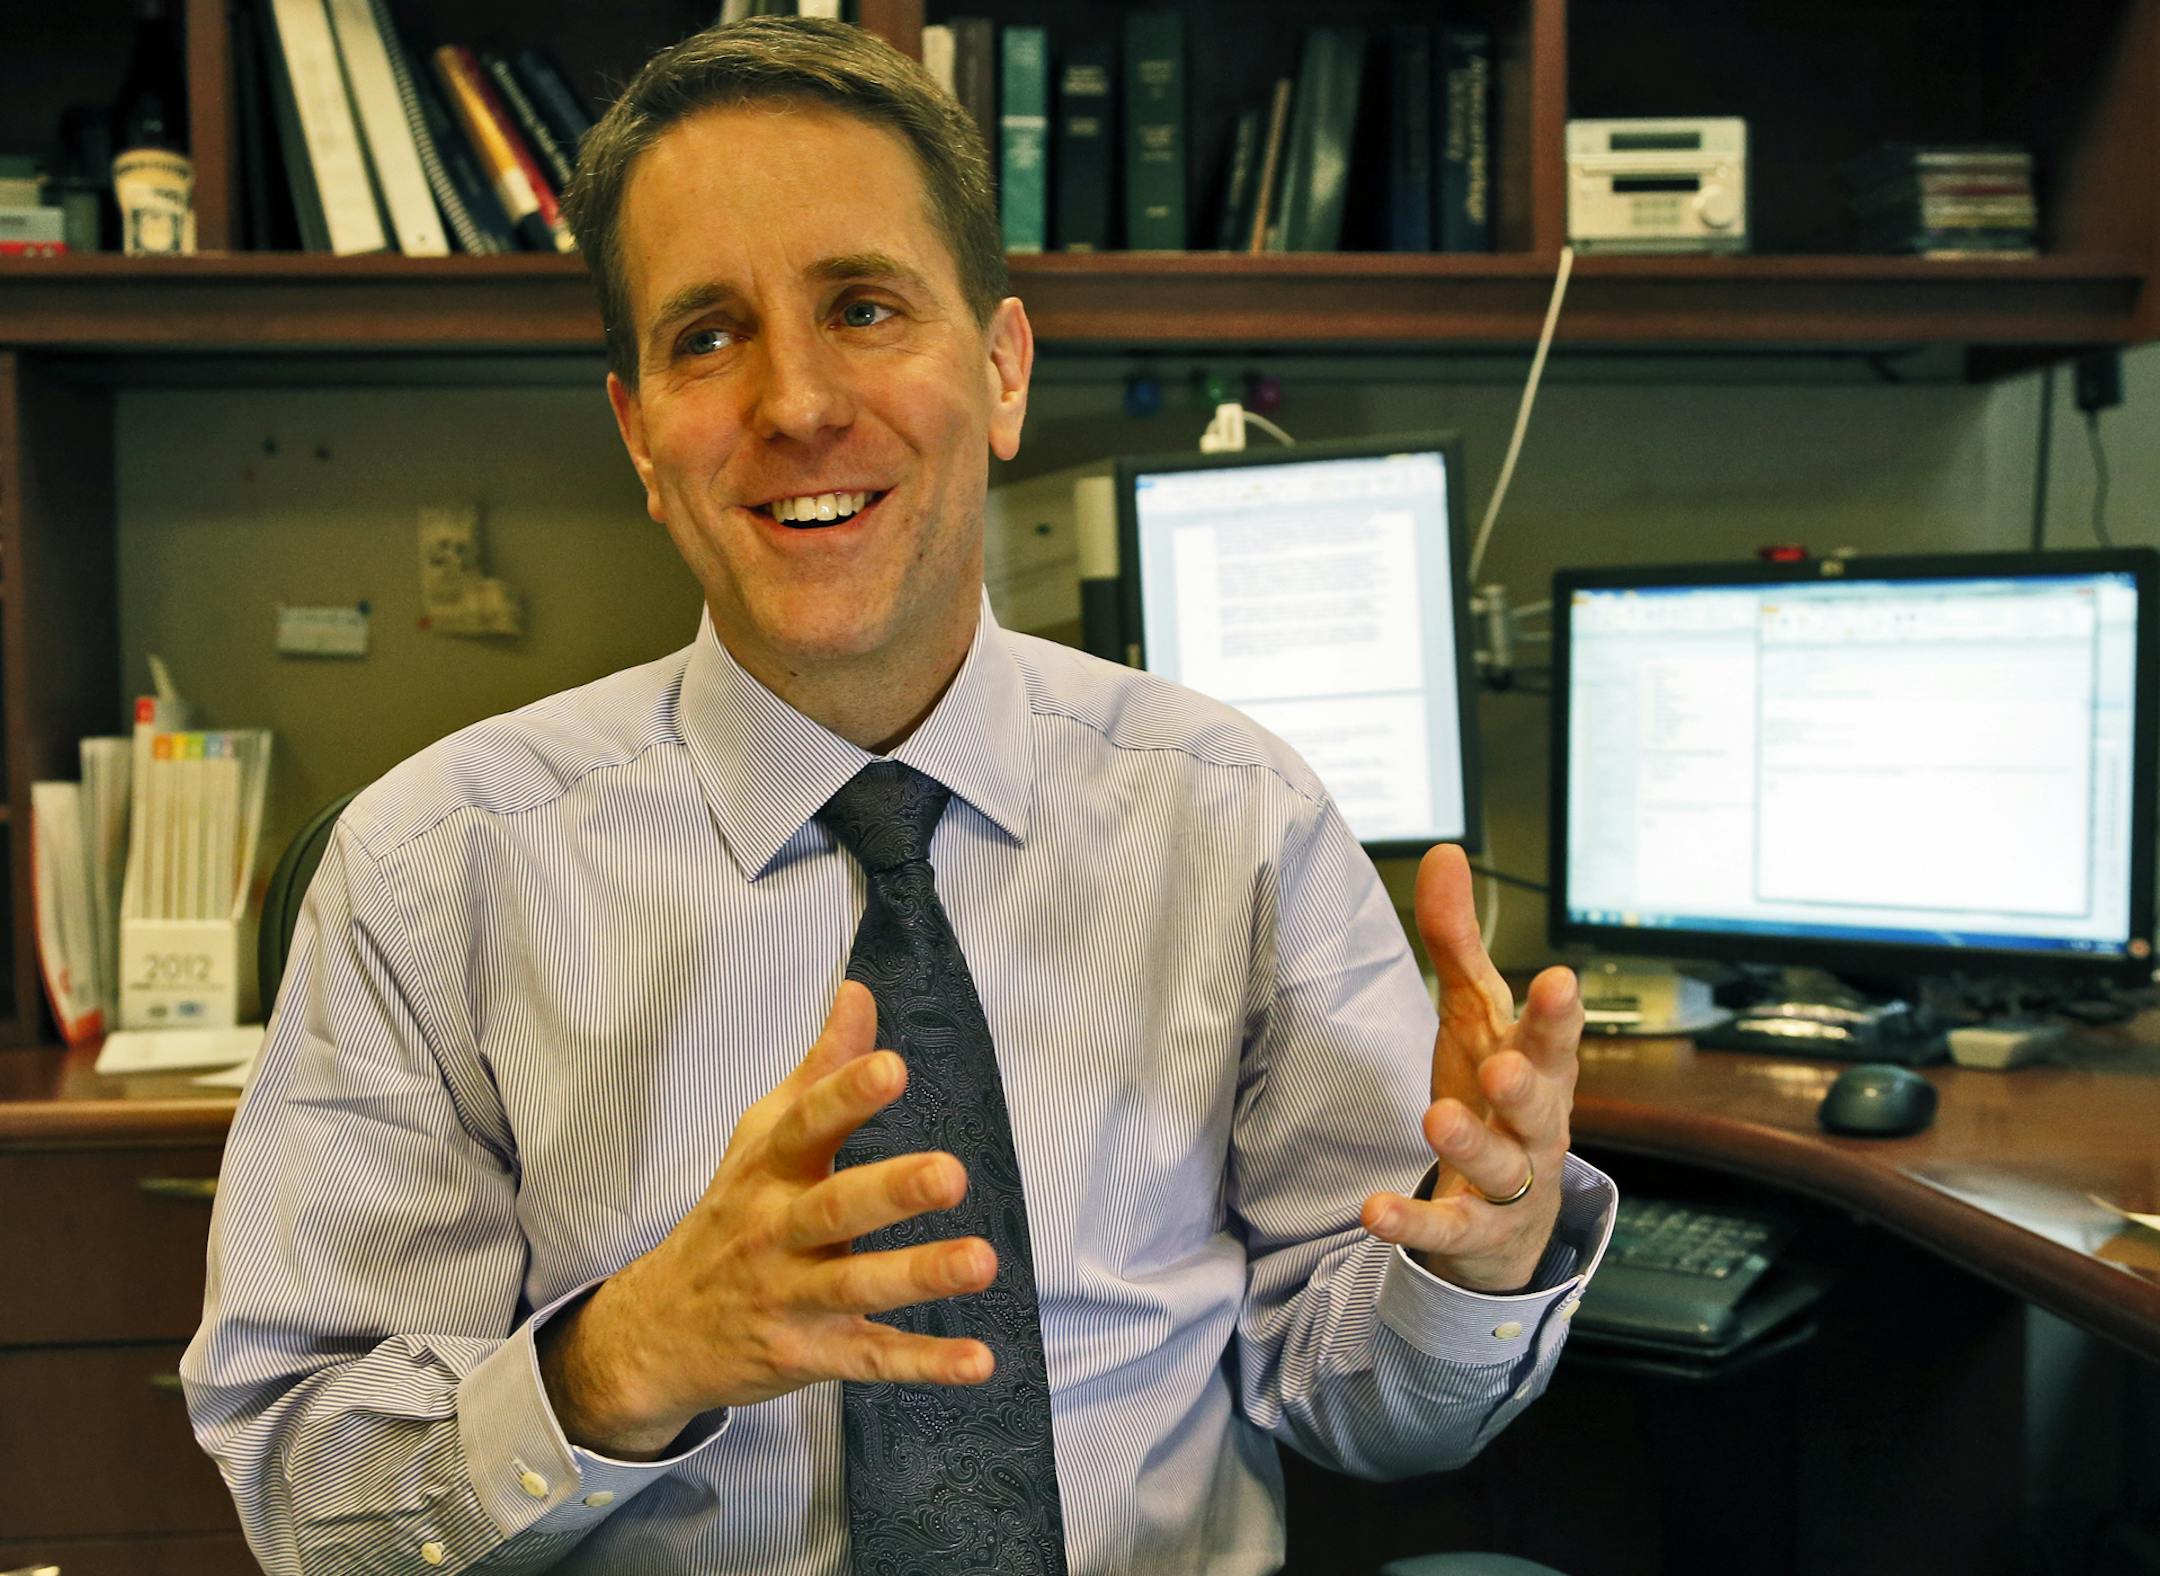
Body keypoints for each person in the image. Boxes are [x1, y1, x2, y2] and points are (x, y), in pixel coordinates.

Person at [182, 16, 1614, 1574]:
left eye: (863, 308)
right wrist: (621, 1360)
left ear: (1001, 371)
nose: (797, 402)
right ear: (640, 436)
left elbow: (1377, 1407)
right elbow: (312, 1497)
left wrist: (1477, 1264)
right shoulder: (429, 870)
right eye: (707, 336)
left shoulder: (1239, 819)